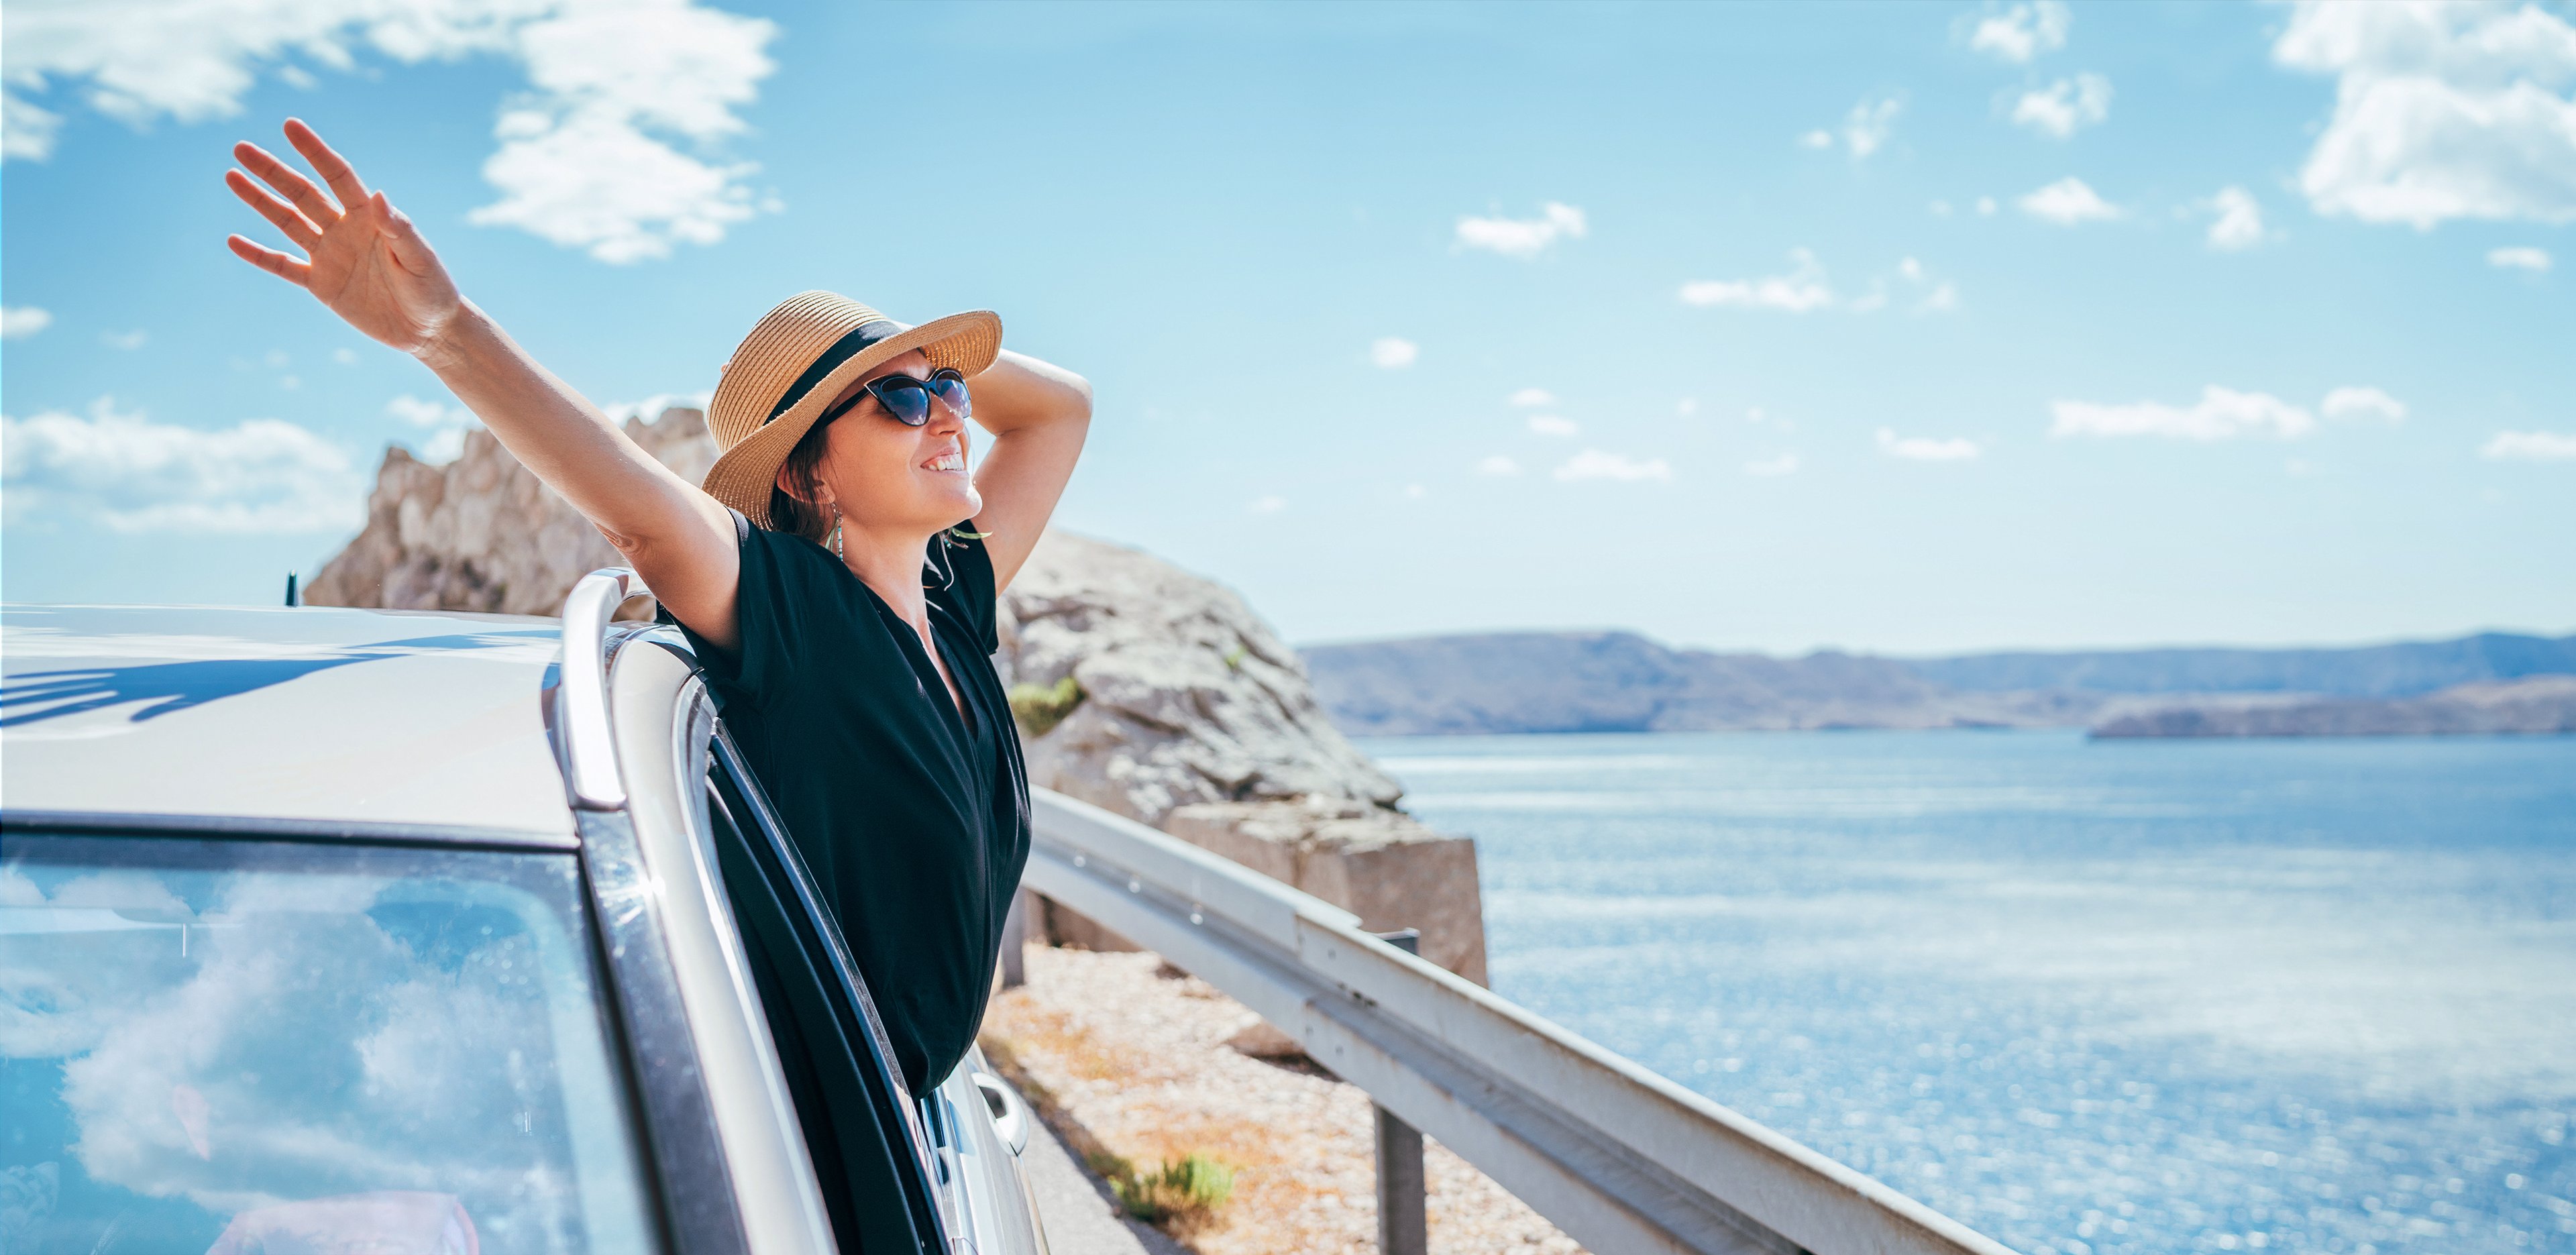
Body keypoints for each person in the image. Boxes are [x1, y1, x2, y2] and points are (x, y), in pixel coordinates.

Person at [223, 119, 1089, 1107]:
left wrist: (903, 354)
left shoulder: (953, 601)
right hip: (815, 1146)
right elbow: (644, 518)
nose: (947, 413)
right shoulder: (794, 615)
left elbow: (1063, 408)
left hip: (910, 1127)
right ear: (807, 472)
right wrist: (445, 333)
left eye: (948, 389)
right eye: (898, 403)